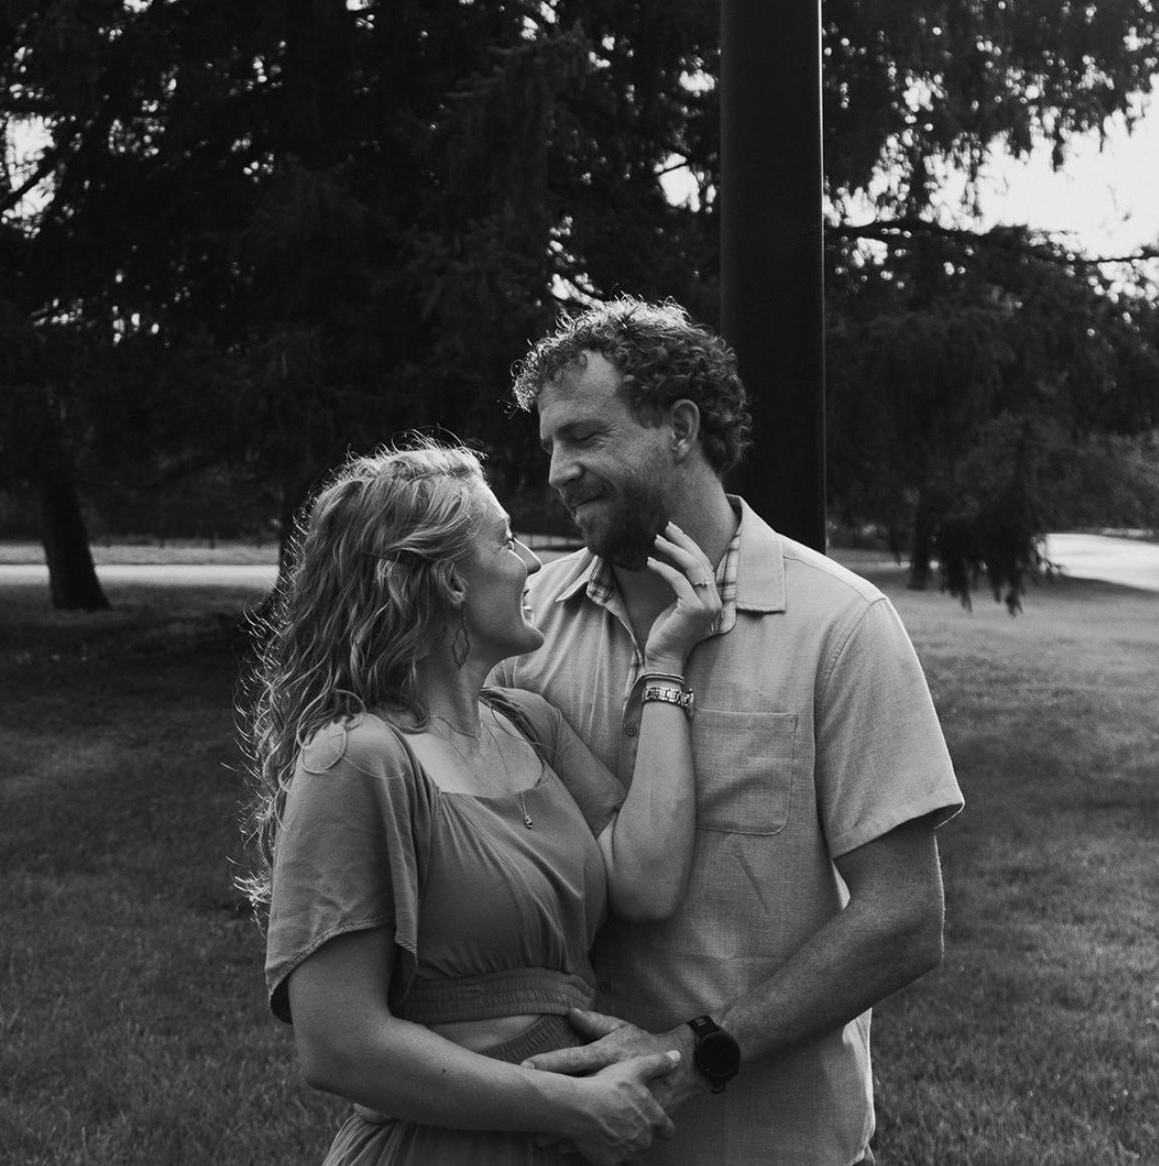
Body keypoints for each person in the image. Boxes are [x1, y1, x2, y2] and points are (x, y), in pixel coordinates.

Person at [492, 297, 965, 1166]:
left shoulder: (841, 625)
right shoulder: (524, 622)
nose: (558, 471)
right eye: (550, 445)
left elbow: (904, 917)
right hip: (557, 1144)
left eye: (585, 437)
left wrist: (691, 1054)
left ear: (680, 428)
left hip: (771, 1147)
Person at [239, 438, 722, 1166]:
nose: (531, 562)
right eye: (506, 539)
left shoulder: (530, 725)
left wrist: (666, 662)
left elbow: (649, 882)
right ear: (451, 583)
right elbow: (336, 1045)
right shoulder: (358, 758)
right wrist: (569, 1103)